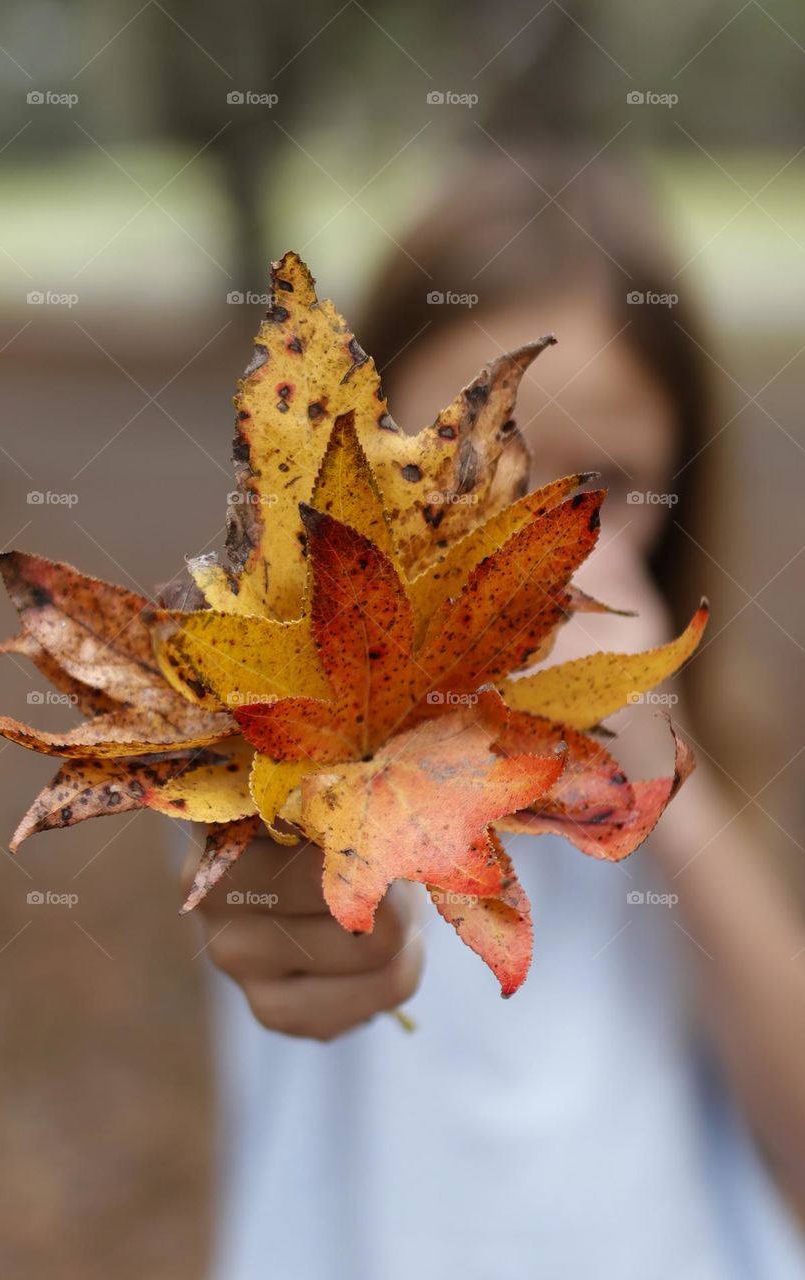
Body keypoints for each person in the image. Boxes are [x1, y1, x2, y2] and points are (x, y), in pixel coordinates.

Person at [183, 154, 805, 1279]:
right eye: (473, 470)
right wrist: (289, 917)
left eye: (597, 489)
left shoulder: (709, 751)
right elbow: (274, 895)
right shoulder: (291, 735)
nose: (539, 558)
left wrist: (676, 788)